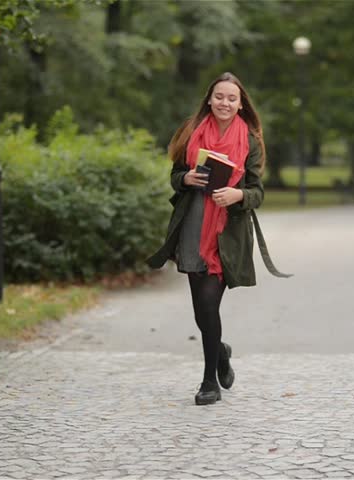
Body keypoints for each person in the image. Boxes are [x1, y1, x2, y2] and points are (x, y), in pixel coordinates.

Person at [147, 72, 290, 406]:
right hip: (192, 227)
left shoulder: (250, 140)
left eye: (232, 98)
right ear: (209, 99)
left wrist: (238, 195)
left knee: (209, 303)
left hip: (228, 235)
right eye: (220, 96)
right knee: (202, 310)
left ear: (241, 105)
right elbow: (174, 177)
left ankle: (209, 380)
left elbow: (258, 192)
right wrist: (187, 178)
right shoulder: (190, 131)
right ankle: (221, 351)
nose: (225, 103)